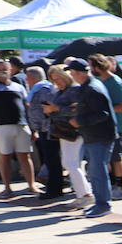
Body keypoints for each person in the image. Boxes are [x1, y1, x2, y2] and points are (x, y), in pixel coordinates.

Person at [65, 58, 116, 217]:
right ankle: (100, 203)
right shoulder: (89, 86)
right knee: (95, 170)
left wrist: (79, 120)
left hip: (100, 136)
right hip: (94, 135)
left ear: (79, 73)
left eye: (72, 73)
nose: (72, 76)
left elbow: (102, 114)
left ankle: (103, 205)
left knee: (97, 171)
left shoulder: (92, 88)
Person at [0, 58, 36, 197]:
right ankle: (7, 187)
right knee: (5, 156)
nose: (2, 72)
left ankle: (31, 185)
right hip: (2, 125)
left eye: (5, 69)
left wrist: (33, 128)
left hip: (21, 124)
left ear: (10, 70)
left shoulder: (18, 86)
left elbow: (27, 106)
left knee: (25, 156)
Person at [44, 65, 92, 204]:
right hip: (64, 131)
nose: (57, 82)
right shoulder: (61, 91)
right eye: (54, 79)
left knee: (71, 163)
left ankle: (85, 194)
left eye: (59, 78)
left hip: (73, 131)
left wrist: (56, 108)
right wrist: (51, 110)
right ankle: (82, 193)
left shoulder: (74, 90)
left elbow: (77, 110)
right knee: (71, 163)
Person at [90, 54, 122, 199]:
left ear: (97, 66)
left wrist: (105, 109)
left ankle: (120, 187)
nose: (89, 69)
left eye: (91, 66)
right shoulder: (98, 81)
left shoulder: (115, 81)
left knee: (116, 158)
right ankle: (111, 184)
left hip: (116, 127)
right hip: (103, 126)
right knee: (106, 159)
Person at [24, 66, 62, 199]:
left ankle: (55, 189)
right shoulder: (39, 89)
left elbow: (46, 108)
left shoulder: (43, 89)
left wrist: (39, 125)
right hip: (44, 129)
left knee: (52, 160)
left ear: (32, 78)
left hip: (48, 129)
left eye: (27, 77)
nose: (26, 80)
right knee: (50, 159)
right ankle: (54, 187)